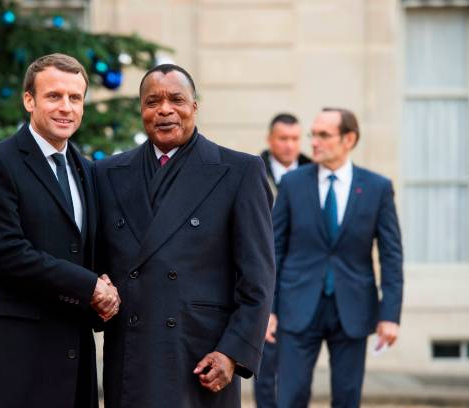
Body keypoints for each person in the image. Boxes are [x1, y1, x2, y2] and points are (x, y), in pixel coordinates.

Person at [94, 64, 275, 408]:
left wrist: (232, 353)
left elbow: (258, 279)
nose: (164, 110)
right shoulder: (106, 173)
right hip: (132, 355)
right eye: (152, 102)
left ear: (194, 106)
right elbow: (97, 263)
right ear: (141, 110)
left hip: (203, 357)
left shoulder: (239, 172)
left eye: (176, 99)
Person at [0, 53, 120, 408]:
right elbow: (9, 253)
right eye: (54, 96)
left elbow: (84, 251)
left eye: (75, 98)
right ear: (29, 100)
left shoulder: (87, 170)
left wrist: (105, 293)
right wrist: (90, 286)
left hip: (72, 358)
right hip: (12, 358)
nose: (66, 107)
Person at [273, 108, 403, 408]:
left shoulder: (377, 188)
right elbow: (273, 249)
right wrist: (269, 308)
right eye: (313, 134)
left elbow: (391, 256)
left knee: (347, 398)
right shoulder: (293, 184)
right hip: (297, 306)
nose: (314, 142)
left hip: (353, 309)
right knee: (289, 397)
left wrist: (390, 315)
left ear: (349, 139)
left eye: (323, 135)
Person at [255, 113, 311, 408]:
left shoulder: (315, 173)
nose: (290, 146)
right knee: (265, 371)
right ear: (270, 139)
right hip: (265, 278)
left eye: (295, 139)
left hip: (303, 283)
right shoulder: (253, 171)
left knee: (299, 374)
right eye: (283, 139)